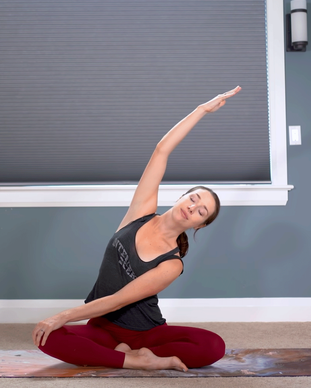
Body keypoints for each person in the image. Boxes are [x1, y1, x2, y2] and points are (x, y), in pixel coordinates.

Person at [32, 86, 242, 372]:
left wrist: (64, 315)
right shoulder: (141, 213)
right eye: (193, 198)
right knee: (46, 337)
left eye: (201, 211)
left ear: (199, 225)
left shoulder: (172, 264)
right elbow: (161, 150)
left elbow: (120, 299)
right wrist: (202, 110)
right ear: (182, 196)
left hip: (146, 334)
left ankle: (135, 355)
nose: (192, 207)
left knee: (213, 346)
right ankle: (135, 359)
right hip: (102, 328)